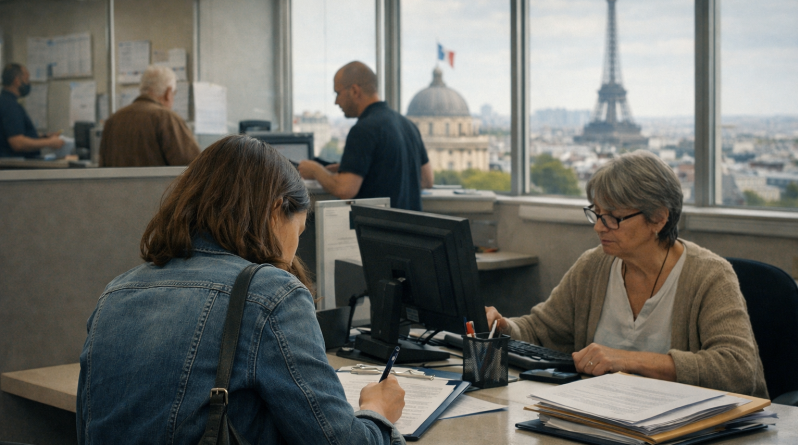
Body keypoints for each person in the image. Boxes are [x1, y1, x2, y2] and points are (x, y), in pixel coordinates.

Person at [77, 135, 406, 444]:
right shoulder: (270, 294)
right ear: (277, 210)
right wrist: (377, 412)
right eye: (300, 230)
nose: (293, 253)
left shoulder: (115, 293)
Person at [486, 150, 768, 398]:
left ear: (658, 218)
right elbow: (542, 330)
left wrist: (627, 360)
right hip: (606, 418)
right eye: (596, 213)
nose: (598, 227)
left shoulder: (710, 275)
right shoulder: (593, 265)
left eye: (613, 217)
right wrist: (504, 327)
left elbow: (738, 369)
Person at [298, 61, 433, 211]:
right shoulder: (408, 125)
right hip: (412, 231)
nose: (336, 102)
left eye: (338, 93)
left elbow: (345, 189)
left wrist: (316, 170)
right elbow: (427, 180)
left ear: (355, 91)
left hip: (379, 231)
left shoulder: (363, 129)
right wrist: (361, 169)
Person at [99, 65, 199, 167]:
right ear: (168, 93)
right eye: (174, 93)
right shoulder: (167, 118)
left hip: (117, 184)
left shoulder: (113, 119)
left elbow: (102, 166)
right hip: (160, 183)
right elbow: (194, 166)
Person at [0, 63, 64, 158]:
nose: (28, 83)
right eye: (27, 79)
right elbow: (18, 143)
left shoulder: (5, 101)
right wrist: (49, 142)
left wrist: (44, 137)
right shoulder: (10, 106)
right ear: (17, 81)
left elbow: (14, 133)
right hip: (14, 167)